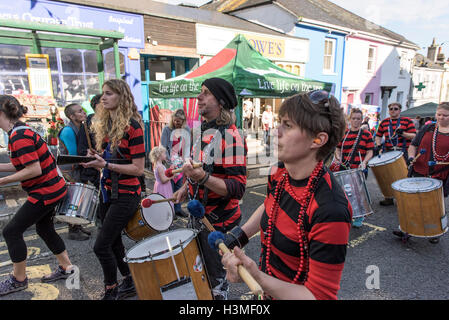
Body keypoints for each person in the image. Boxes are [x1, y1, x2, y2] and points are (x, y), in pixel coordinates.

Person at [220, 90, 352, 300]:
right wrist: (238, 236)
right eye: (279, 122)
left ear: (318, 140)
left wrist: (257, 277)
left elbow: (318, 297)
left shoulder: (331, 209)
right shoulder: (280, 171)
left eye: (287, 125)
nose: (275, 131)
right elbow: (270, 204)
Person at [173, 77, 247, 300]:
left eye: (206, 93)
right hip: (198, 214)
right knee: (199, 273)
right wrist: (187, 186)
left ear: (221, 102)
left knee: (216, 283)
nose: (199, 97)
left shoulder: (231, 137)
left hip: (219, 222)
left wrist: (203, 177)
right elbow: (201, 166)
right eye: (200, 91)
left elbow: (238, 188)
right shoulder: (203, 132)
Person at [0, 95, 75, 296]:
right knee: (44, 228)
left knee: (11, 231)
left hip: (46, 191)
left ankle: (19, 280)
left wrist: (2, 181)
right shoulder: (19, 131)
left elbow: (33, 170)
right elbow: (23, 164)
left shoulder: (18, 136)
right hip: (52, 188)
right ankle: (67, 268)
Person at [81, 79, 145, 300]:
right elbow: (111, 159)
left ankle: (111, 288)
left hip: (126, 195)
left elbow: (138, 168)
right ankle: (130, 279)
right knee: (114, 241)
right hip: (108, 192)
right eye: (103, 94)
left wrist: (105, 164)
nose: (103, 98)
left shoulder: (133, 127)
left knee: (101, 246)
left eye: (109, 93)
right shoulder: (108, 125)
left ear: (122, 96)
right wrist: (97, 159)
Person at [403, 102, 449, 244]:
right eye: (439, 114)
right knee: (414, 203)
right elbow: (413, 145)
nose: (441, 117)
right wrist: (411, 157)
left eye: (445, 115)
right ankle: (408, 229)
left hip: (439, 175)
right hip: (419, 171)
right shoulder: (428, 127)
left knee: (434, 206)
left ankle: (434, 231)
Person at [332, 108, 374, 227]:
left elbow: (370, 151)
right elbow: (338, 148)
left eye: (358, 119)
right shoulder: (344, 134)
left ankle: (359, 216)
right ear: (350, 119)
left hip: (358, 168)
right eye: (354, 118)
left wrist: (365, 162)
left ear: (362, 120)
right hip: (344, 167)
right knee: (345, 192)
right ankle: (347, 214)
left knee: (358, 193)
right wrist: (338, 156)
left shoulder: (366, 134)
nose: (356, 121)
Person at [58, 103, 91, 241]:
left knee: (79, 198)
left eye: (82, 110)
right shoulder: (68, 131)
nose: (83, 113)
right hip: (70, 169)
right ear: (71, 116)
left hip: (76, 168)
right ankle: (73, 230)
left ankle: (77, 226)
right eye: (79, 111)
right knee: (74, 198)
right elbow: (74, 154)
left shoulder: (80, 127)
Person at [375, 102, 416, 206]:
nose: (393, 110)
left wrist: (403, 133)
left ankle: (402, 198)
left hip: (403, 151)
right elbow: (378, 135)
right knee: (387, 175)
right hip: (388, 151)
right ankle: (388, 197)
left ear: (400, 110)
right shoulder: (384, 122)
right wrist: (379, 144)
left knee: (403, 174)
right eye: (391, 109)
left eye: (396, 109)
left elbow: (414, 136)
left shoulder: (407, 121)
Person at [160, 109, 190, 218]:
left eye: (179, 121)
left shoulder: (186, 129)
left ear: (183, 121)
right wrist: (170, 162)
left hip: (181, 161)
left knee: (179, 186)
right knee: (170, 187)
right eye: (175, 121)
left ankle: (177, 209)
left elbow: (187, 146)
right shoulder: (167, 130)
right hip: (170, 162)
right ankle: (170, 210)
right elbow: (163, 147)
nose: (177, 123)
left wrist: (185, 160)